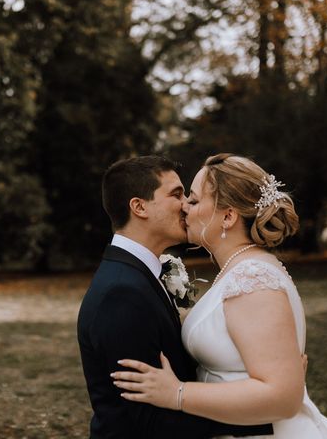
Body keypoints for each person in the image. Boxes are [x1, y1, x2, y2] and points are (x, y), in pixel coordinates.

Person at [111, 153, 327, 438]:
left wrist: (177, 393)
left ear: (228, 216)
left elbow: (283, 398)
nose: (184, 207)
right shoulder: (238, 271)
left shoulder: (252, 278)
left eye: (195, 200)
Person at [77, 155, 273, 438]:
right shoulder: (120, 293)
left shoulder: (137, 276)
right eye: (176, 194)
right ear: (139, 207)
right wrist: (261, 421)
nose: (186, 206)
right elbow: (147, 419)